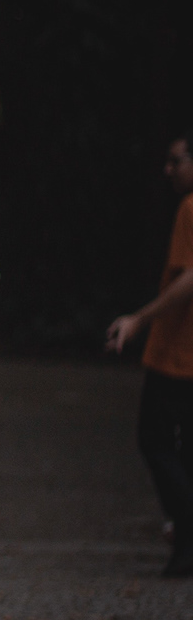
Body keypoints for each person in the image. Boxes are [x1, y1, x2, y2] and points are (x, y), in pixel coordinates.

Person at [106, 131, 193, 577]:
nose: (169, 169)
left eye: (176, 161)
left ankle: (186, 534)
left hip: (179, 353)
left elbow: (189, 279)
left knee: (155, 439)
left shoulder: (191, 208)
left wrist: (140, 319)